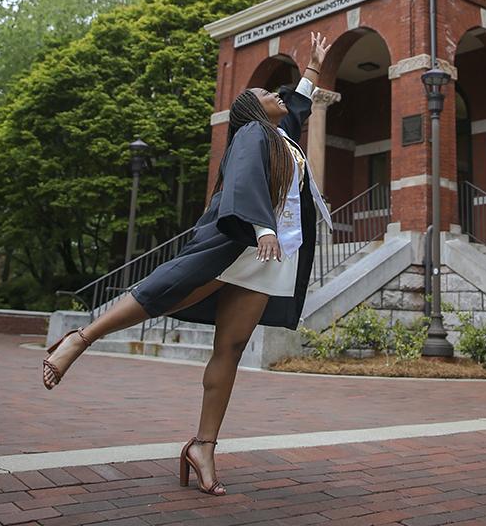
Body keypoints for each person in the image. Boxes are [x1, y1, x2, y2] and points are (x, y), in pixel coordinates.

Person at [41, 31, 332, 497]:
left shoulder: (282, 139)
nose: (275, 95)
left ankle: (203, 445)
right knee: (164, 291)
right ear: (253, 111)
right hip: (240, 241)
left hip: (269, 256)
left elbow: (298, 107)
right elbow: (241, 179)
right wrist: (261, 227)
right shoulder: (252, 134)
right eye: (265, 94)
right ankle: (81, 337)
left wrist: (314, 67)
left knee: (231, 349)